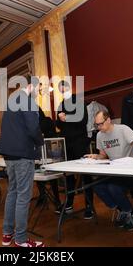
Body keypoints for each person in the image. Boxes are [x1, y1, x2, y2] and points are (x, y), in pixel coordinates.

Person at [85, 110, 133, 231]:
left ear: (109, 120)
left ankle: (130, 212)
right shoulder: (100, 135)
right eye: (97, 125)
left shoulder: (123, 129)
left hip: (131, 172)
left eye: (101, 124)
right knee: (97, 185)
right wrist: (95, 156)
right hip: (115, 172)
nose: (99, 127)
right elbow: (103, 155)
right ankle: (123, 209)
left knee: (113, 187)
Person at [0, 75, 45, 247]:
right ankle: (21, 239)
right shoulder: (27, 100)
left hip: (8, 154)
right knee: (24, 196)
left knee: (13, 192)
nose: (39, 91)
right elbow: (33, 128)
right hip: (23, 154)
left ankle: (7, 234)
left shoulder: (11, 100)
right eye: (38, 88)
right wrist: (41, 142)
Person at [56, 80, 94, 219]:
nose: (62, 90)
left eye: (63, 87)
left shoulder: (78, 100)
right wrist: (60, 119)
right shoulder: (60, 104)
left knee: (85, 174)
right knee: (69, 175)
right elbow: (59, 125)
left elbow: (83, 120)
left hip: (79, 141)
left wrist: (67, 117)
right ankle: (69, 203)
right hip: (66, 142)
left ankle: (89, 206)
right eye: (60, 88)